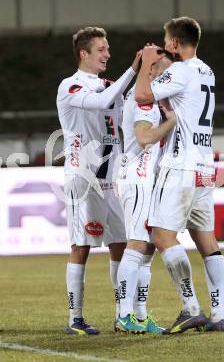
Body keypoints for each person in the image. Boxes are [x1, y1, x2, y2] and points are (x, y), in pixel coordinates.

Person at [135, 17, 224, 333]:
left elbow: (143, 96)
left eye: (166, 40)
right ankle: (218, 315)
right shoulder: (207, 70)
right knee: (207, 240)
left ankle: (190, 308)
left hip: (180, 165)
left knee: (161, 236)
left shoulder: (180, 70)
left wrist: (147, 63)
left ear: (174, 43)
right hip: (204, 165)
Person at [56, 26, 141, 335]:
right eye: (102, 49)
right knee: (82, 245)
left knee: (120, 243)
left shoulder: (108, 85)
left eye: (107, 48)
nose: (108, 54)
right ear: (84, 53)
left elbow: (129, 104)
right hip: (83, 177)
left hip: (109, 180)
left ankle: (123, 314)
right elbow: (101, 100)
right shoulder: (71, 86)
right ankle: (75, 318)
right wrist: (133, 69)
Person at [115, 55, 176, 334]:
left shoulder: (150, 97)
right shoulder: (142, 99)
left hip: (146, 179)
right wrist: (171, 121)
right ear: (151, 70)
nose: (170, 74)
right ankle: (123, 315)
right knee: (137, 244)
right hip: (136, 178)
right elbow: (144, 138)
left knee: (148, 250)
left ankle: (139, 315)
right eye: (165, 68)